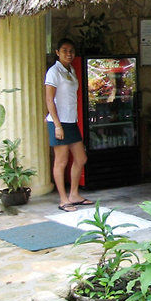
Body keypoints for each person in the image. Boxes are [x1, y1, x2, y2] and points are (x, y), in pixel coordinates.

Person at [45, 38, 93, 212]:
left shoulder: (71, 70)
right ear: (57, 52)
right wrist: (57, 125)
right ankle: (63, 199)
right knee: (61, 161)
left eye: (71, 50)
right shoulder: (53, 72)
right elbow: (49, 100)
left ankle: (74, 194)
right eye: (64, 50)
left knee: (81, 158)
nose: (69, 53)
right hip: (59, 122)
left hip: (71, 121)